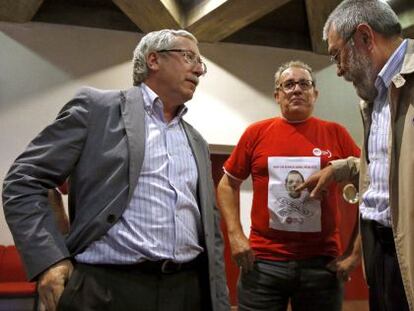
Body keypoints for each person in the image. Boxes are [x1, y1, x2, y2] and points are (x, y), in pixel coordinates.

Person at [2, 29, 229, 311]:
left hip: (185, 291)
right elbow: (23, 180)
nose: (198, 69)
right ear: (154, 60)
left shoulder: (196, 140)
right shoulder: (97, 109)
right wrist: (49, 259)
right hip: (106, 290)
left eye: (201, 63)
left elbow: (211, 228)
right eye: (189, 57)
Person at [297, 1, 414, 310]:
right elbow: (394, 161)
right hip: (380, 248)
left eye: (337, 54)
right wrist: (341, 168)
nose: (338, 69)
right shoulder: (376, 95)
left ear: (364, 37)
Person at [217, 60, 361, 311]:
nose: (297, 89)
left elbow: (372, 187)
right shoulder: (256, 133)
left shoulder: (336, 133)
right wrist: (236, 236)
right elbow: (227, 184)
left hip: (322, 265)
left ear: (315, 94)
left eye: (304, 84)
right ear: (277, 95)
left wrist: (354, 254)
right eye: (289, 84)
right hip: (262, 263)